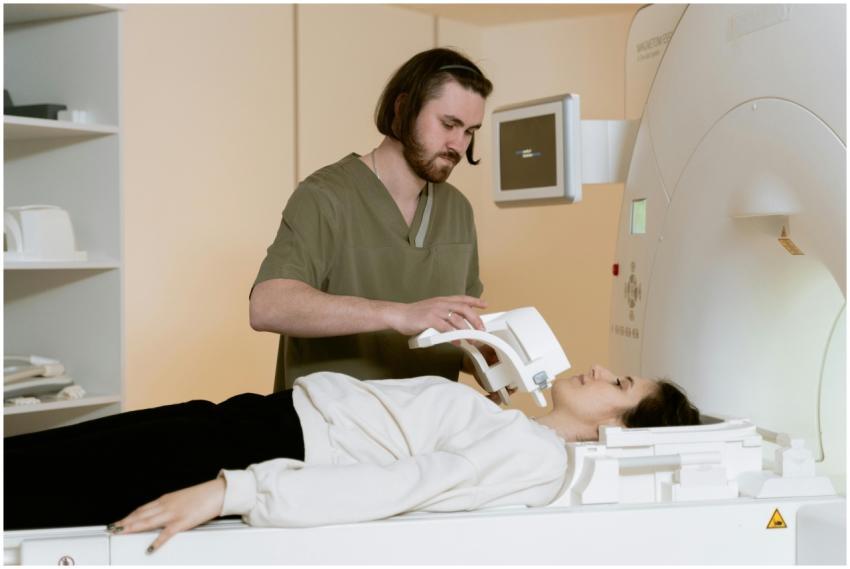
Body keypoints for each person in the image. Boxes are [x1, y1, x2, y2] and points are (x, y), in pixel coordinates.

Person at [5, 365, 701, 554]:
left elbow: (402, 483)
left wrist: (232, 489)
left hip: (266, 447)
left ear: (621, 426)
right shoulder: (518, 427)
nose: (604, 370)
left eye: (621, 384)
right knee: (43, 462)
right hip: (262, 422)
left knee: (37, 478)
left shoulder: (536, 455)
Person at [249, 47, 495, 392]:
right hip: (333, 431)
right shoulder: (325, 196)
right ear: (403, 108)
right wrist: (398, 315)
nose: (458, 144)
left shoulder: (458, 211)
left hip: (426, 435)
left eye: (470, 131)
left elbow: (455, 334)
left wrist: (487, 359)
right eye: (448, 124)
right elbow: (268, 306)